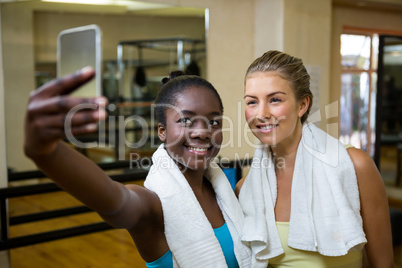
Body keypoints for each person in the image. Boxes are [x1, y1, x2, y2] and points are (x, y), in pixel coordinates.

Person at [24, 67, 251, 267]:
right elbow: (115, 201)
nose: (202, 132)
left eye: (214, 121)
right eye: (185, 120)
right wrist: (46, 153)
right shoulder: (152, 205)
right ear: (162, 131)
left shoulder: (224, 193)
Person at [235, 50, 394, 268]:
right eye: (252, 102)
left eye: (275, 100)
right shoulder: (246, 190)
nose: (261, 113)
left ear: (302, 105)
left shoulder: (355, 166)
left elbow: (383, 264)